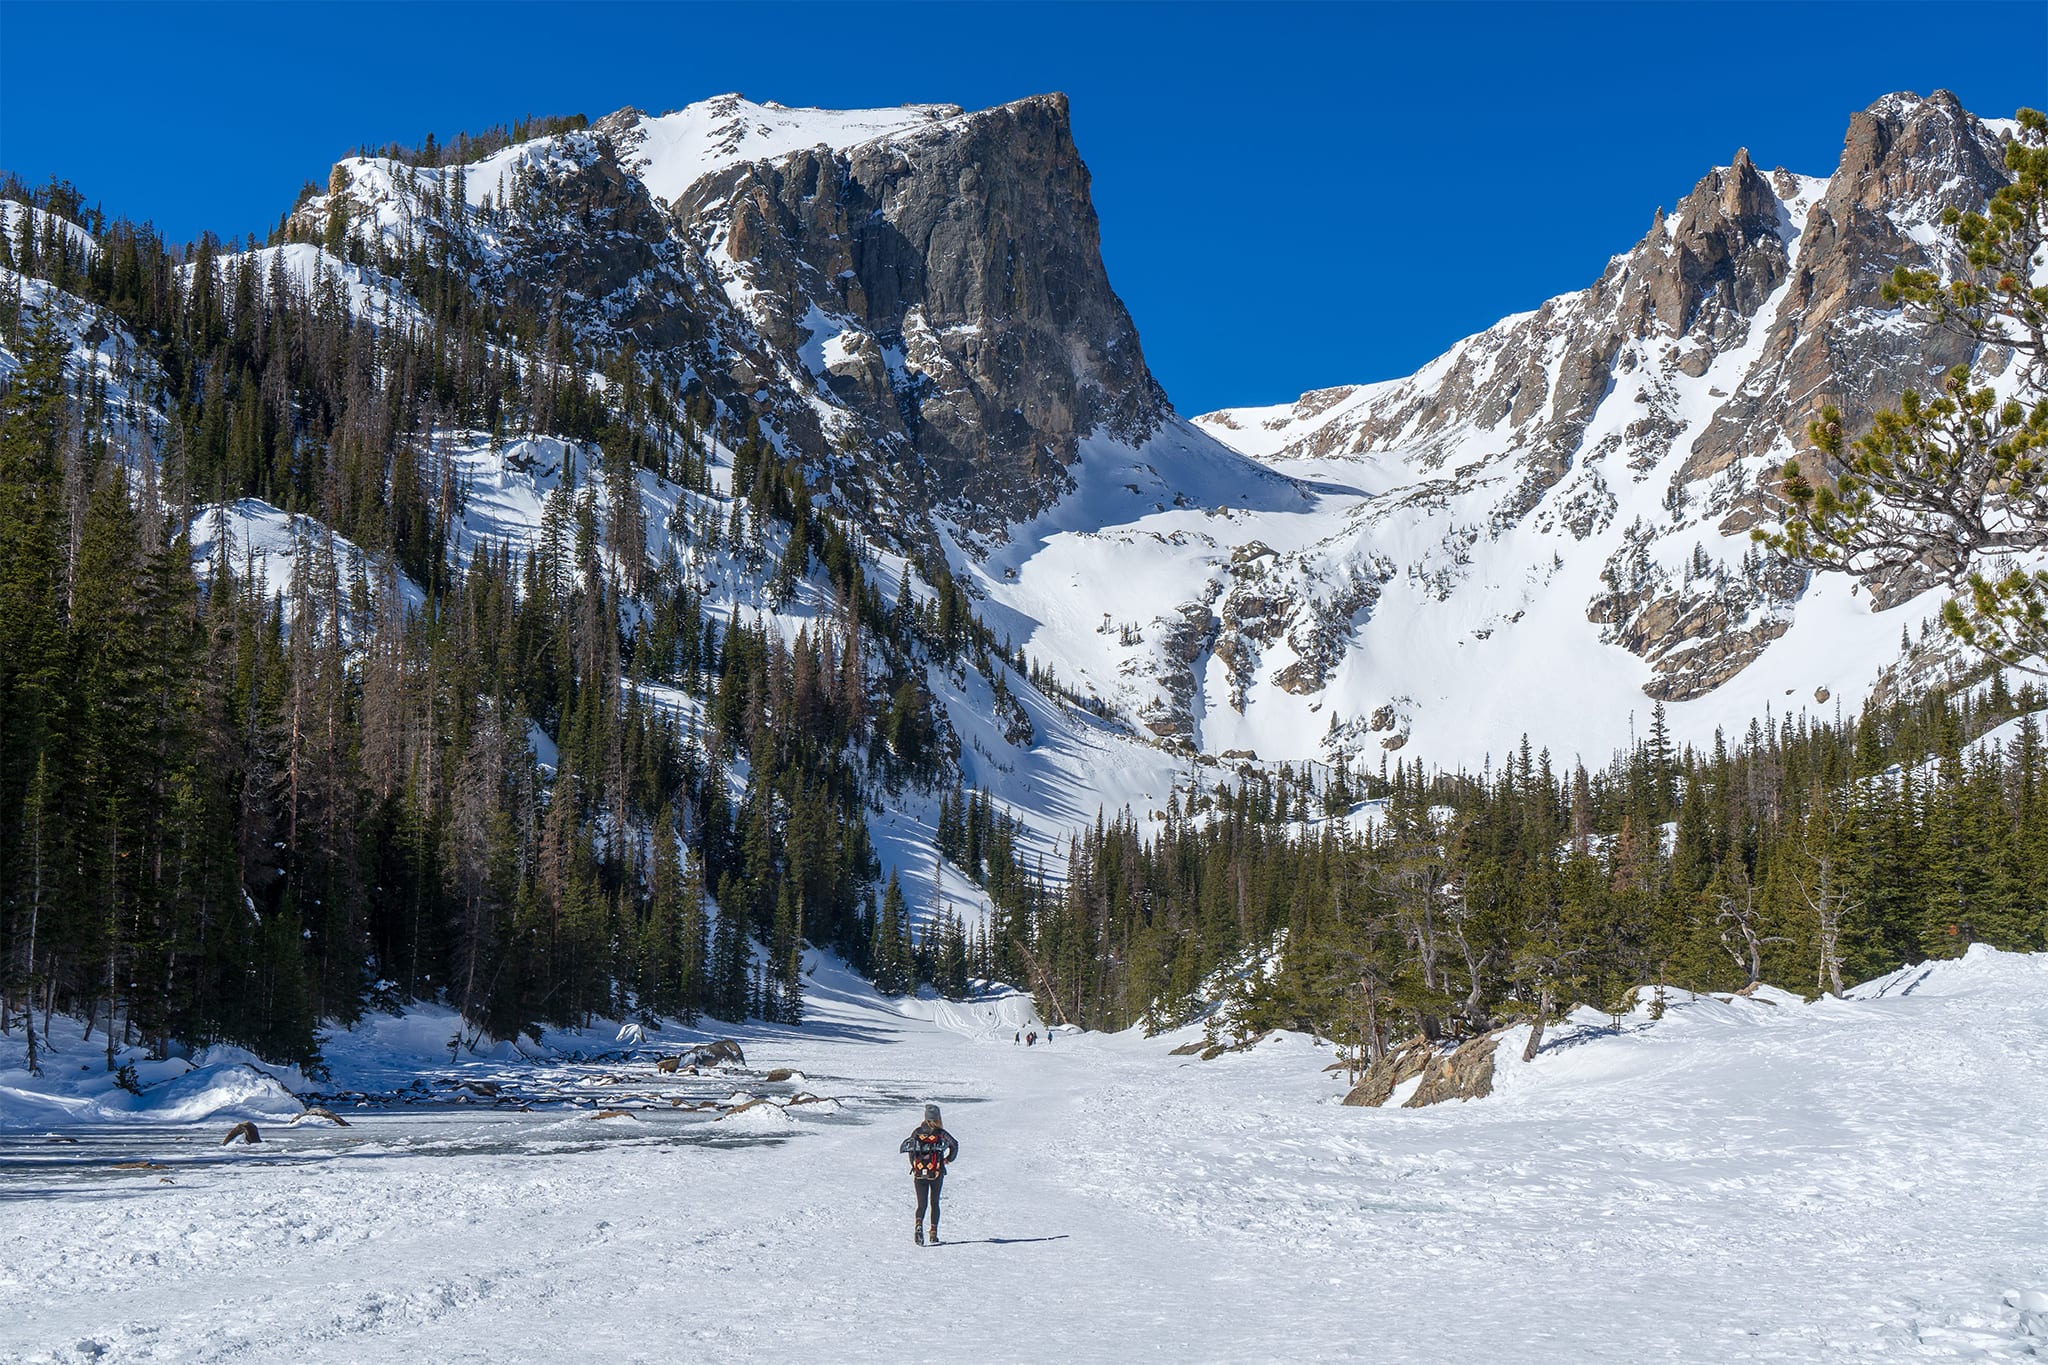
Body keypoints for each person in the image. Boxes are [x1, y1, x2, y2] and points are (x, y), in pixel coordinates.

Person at [899, 1103, 958, 1245]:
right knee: (934, 1202)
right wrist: (948, 1159)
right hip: (936, 1172)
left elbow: (911, 1149)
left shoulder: (917, 1132)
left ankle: (918, 1225)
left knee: (921, 1204)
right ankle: (933, 1233)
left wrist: (914, 1164)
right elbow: (954, 1144)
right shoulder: (940, 1133)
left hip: (919, 1173)